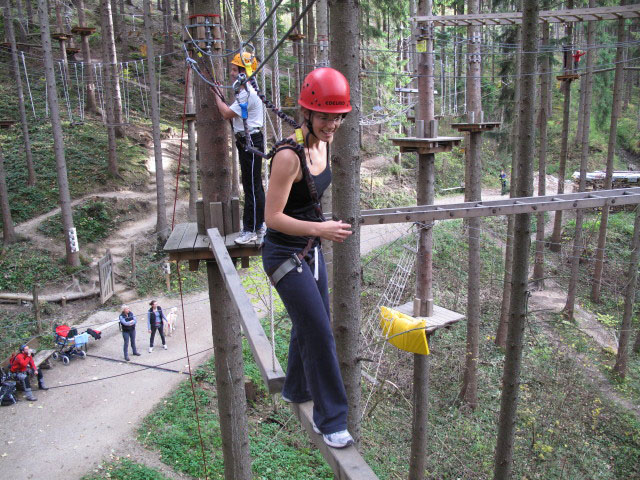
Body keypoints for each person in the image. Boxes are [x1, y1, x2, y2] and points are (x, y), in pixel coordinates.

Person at [261, 67, 354, 449]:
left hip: (309, 249)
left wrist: (318, 230)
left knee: (312, 321)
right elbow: (272, 218)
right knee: (319, 332)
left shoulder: (324, 143)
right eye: (325, 116)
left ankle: (297, 388)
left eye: (338, 116)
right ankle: (331, 420)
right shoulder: (288, 157)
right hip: (284, 252)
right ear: (308, 114)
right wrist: (321, 229)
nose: (332, 124)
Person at [212, 52, 266, 245]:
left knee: (251, 187)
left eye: (235, 70)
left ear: (245, 72)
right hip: (248, 141)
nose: (232, 73)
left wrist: (216, 95)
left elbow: (226, 113)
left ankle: (250, 229)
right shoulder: (247, 90)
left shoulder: (247, 93)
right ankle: (259, 224)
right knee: (254, 185)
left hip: (250, 142)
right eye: (232, 69)